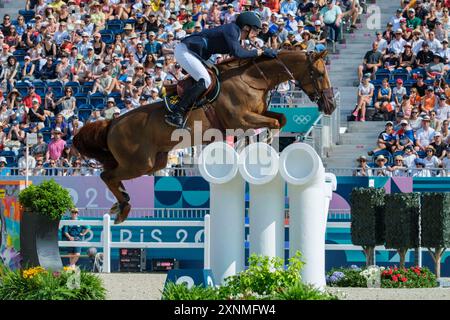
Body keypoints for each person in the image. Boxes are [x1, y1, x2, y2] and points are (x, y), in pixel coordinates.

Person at [164, 11, 278, 128]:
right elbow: (238, 53)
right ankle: (177, 113)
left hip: (196, 54)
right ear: (246, 27)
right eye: (255, 29)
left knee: (216, 76)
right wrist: (260, 52)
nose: (257, 33)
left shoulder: (237, 36)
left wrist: (263, 52)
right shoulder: (232, 30)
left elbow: (241, 55)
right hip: (186, 50)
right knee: (206, 80)